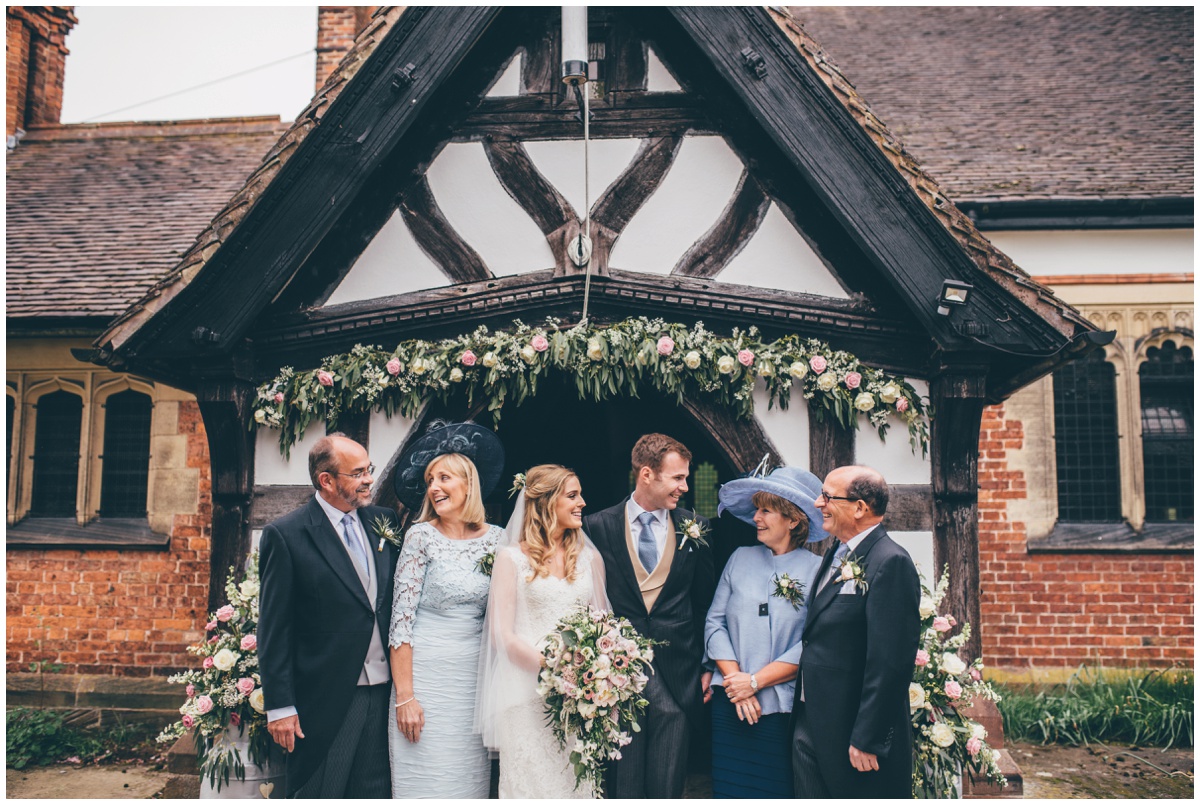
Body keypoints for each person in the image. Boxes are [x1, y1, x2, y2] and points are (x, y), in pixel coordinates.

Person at [258, 433, 400, 797]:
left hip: (383, 691)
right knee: (322, 789)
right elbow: (274, 629)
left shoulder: (384, 523)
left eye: (369, 469)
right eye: (358, 473)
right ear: (327, 480)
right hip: (325, 697)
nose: (369, 478)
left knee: (374, 791)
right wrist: (280, 708)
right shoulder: (287, 535)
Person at [581, 433, 716, 798]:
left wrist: (706, 664)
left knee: (668, 778)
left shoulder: (696, 528)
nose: (684, 487)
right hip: (617, 673)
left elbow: (704, 601)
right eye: (677, 478)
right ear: (646, 474)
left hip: (679, 667)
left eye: (686, 478)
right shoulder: (597, 526)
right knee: (622, 777)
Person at [387, 422, 506, 798]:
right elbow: (400, 624)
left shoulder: (498, 539)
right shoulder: (421, 536)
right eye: (429, 480)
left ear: (468, 484)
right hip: (425, 682)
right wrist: (406, 697)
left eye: (443, 478)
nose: (433, 487)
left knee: (467, 785)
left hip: (474, 687)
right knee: (425, 784)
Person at [476, 464, 610, 799]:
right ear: (547, 502)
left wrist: (590, 677)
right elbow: (501, 635)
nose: (582, 502)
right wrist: (553, 670)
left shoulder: (590, 559)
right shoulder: (511, 559)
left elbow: (602, 628)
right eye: (572, 495)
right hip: (526, 695)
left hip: (581, 698)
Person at [792, 465, 921, 798]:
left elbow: (889, 662)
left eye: (827, 496)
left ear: (860, 508)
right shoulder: (837, 553)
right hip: (813, 717)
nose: (818, 503)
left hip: (852, 731)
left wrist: (868, 738)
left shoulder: (890, 562)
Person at [705, 466, 826, 798]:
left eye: (765, 510)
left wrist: (756, 683)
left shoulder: (817, 572)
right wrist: (737, 683)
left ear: (792, 520)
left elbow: (813, 643)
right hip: (730, 700)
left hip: (778, 706)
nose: (756, 517)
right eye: (757, 509)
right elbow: (714, 624)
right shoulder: (739, 558)